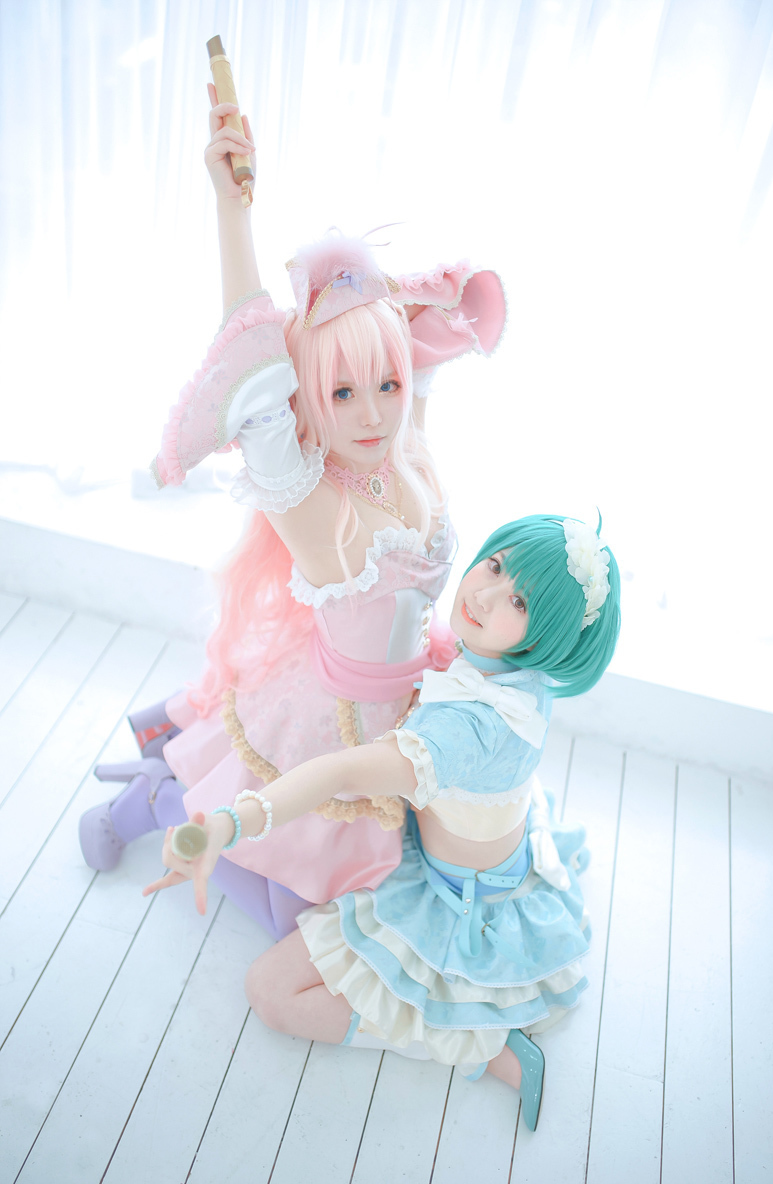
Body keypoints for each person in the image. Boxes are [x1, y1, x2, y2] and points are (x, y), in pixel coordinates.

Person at [79, 88, 506, 939]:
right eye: (341, 393)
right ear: (307, 397)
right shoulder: (315, 510)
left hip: (391, 712)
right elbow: (251, 357)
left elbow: (411, 372)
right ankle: (154, 801)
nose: (372, 413)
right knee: (292, 914)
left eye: (386, 383)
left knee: (321, 895)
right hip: (321, 722)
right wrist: (232, 211)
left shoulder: (406, 450)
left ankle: (173, 797)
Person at [143, 514, 622, 1131]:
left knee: (271, 991)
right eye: (497, 565)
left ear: (549, 636)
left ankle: (475, 1046)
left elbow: (340, 770)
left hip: (451, 901)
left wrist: (231, 823)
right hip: (480, 847)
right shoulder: (511, 672)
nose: (485, 594)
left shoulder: (465, 731)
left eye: (519, 602)